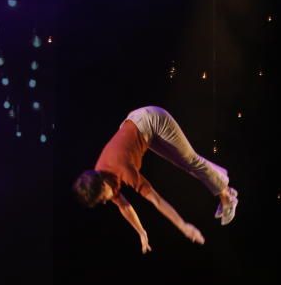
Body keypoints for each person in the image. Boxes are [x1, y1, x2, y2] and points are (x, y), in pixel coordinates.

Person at [72, 106, 239, 254]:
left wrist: (183, 227)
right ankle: (221, 180)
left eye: (102, 198)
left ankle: (227, 197)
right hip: (139, 128)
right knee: (184, 163)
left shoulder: (124, 170)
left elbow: (157, 201)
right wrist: (141, 232)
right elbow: (124, 206)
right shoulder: (100, 176)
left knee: (190, 160)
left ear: (103, 183)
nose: (105, 202)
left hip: (153, 119)